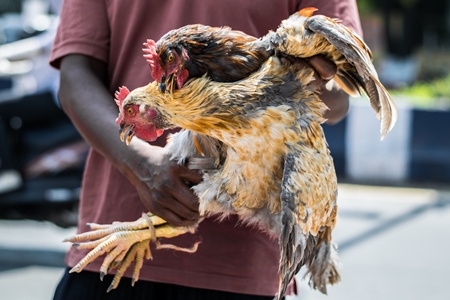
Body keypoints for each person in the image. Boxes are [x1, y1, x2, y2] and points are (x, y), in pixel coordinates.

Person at [50, 1, 362, 299]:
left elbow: (339, 96)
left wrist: (296, 78)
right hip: (112, 249)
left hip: (242, 265)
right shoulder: (173, 106)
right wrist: (139, 163)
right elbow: (75, 76)